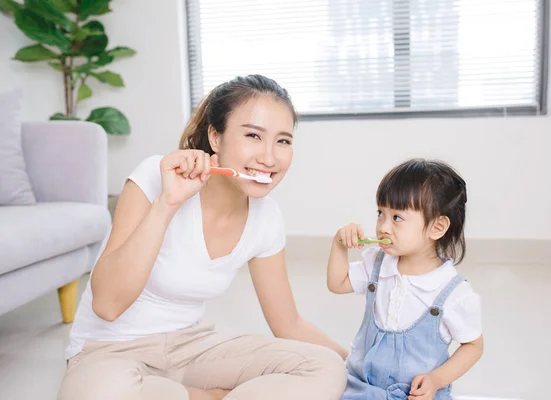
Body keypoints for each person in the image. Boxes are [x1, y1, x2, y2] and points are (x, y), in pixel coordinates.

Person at [58, 75, 347, 400]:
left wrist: (360, 365)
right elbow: (107, 304)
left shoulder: (267, 218)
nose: (269, 157)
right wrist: (168, 203)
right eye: (253, 135)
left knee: (327, 367)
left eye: (283, 141)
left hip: (191, 349)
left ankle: (188, 394)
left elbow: (289, 323)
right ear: (215, 136)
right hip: (109, 353)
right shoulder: (156, 176)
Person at [327, 159, 484, 400]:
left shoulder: (453, 292)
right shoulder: (377, 265)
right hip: (363, 389)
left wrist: (436, 380)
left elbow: (473, 346)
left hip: (419, 396)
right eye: (381, 213)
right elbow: (337, 284)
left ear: (437, 227)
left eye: (397, 218)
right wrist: (339, 246)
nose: (383, 227)